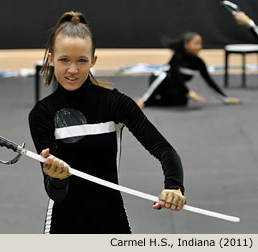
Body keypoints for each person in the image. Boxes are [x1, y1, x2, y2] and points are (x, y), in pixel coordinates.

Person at [28, 11, 186, 234]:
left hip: (112, 220)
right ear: (51, 58)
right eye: (64, 60)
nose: (72, 70)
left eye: (81, 61)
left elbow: (164, 149)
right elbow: (55, 193)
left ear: (93, 60)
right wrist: (57, 178)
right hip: (63, 224)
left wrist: (174, 186)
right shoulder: (42, 114)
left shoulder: (114, 103)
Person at [134, 32, 243, 108]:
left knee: (182, 101)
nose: (199, 47)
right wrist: (188, 92)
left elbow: (209, 80)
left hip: (174, 87)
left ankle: (151, 102)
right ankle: (143, 100)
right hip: (159, 81)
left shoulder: (199, 62)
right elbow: (175, 75)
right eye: (196, 43)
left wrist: (225, 98)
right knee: (163, 76)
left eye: (201, 44)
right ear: (186, 45)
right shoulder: (178, 56)